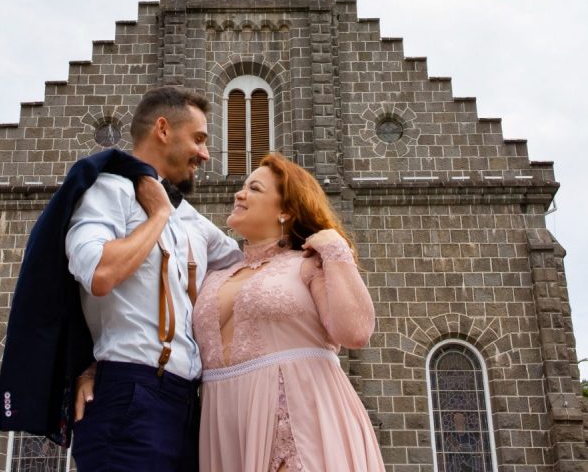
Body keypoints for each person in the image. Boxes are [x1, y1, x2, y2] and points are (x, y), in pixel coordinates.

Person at [64, 87, 241, 472]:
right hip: (130, 397)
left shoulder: (194, 219)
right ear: (163, 129)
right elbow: (98, 271)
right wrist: (158, 215)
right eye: (198, 138)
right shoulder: (107, 191)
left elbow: (250, 269)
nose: (205, 154)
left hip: (192, 405)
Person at [192, 153, 386, 472]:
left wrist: (336, 250)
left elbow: (355, 331)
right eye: (242, 187)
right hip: (223, 424)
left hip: (302, 420)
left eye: (254, 188)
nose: (239, 194)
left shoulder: (309, 265)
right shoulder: (214, 274)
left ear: (285, 211)